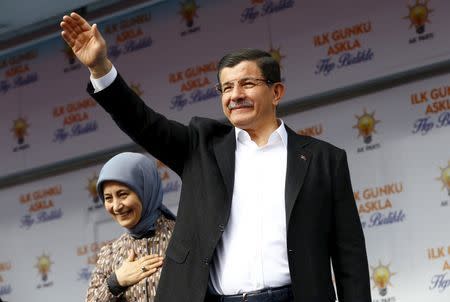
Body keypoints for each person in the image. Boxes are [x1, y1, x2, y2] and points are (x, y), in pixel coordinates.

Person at [61, 12, 371, 302]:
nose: (235, 95)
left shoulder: (325, 160)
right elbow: (142, 122)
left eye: (247, 84)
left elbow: (349, 256)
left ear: (276, 92)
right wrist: (100, 68)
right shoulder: (202, 146)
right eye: (226, 88)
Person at [87, 152, 175, 301]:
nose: (116, 206)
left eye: (123, 194)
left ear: (146, 190)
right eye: (108, 198)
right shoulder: (110, 254)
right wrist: (116, 282)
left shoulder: (182, 238)